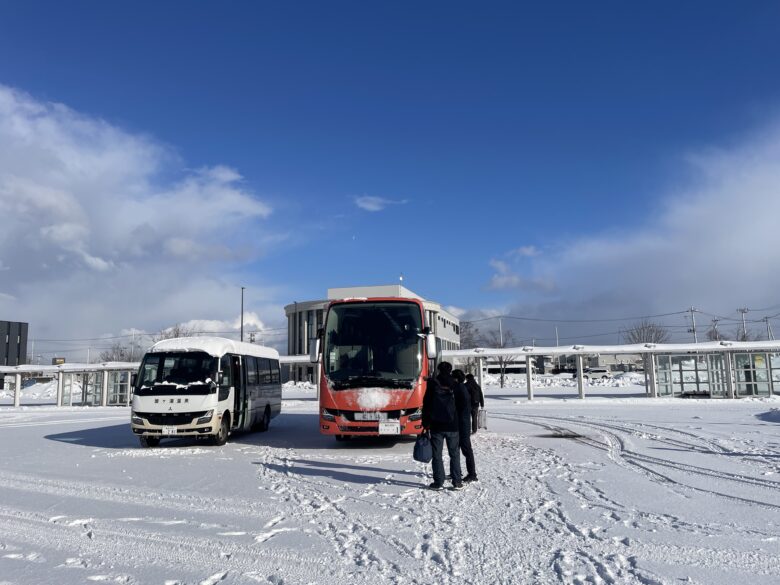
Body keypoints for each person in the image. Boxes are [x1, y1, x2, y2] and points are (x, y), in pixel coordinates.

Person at [422, 361, 464, 490]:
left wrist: (425, 423)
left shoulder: (432, 383)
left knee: (437, 455)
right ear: (450, 370)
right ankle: (457, 482)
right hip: (453, 425)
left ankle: (438, 482)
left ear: (439, 370)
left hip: (436, 425)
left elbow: (426, 404)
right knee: (454, 454)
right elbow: (461, 405)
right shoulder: (455, 384)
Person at [452, 369, 478, 482]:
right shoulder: (462, 388)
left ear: (456, 379)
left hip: (462, 424)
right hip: (463, 423)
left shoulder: (459, 389)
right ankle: (457, 471)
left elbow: (458, 408)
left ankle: (472, 474)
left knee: (466, 450)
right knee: (457, 450)